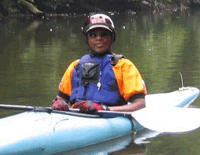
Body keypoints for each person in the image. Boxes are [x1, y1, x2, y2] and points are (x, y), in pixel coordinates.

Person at [52, 13, 147, 113]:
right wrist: (59, 103)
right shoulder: (75, 66)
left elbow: (140, 105)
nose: (98, 38)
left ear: (111, 38)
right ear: (87, 39)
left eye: (104, 34)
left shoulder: (124, 66)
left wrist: (104, 109)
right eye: (93, 35)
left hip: (110, 117)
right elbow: (61, 98)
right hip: (76, 117)